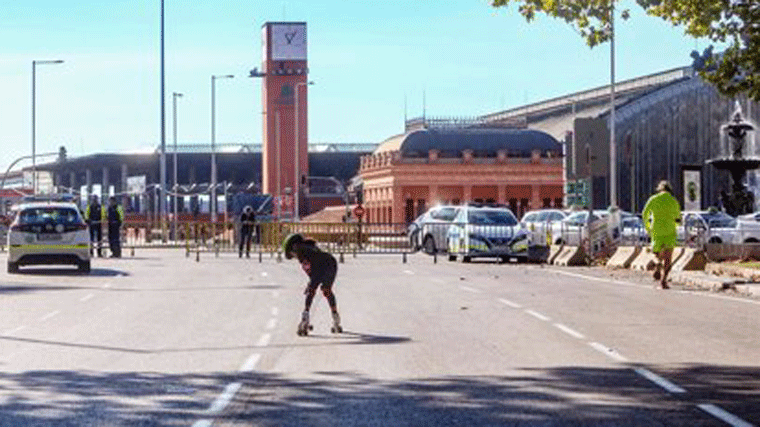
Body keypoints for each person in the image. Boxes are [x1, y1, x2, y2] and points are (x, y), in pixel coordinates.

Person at [282, 233, 342, 335]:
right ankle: (335, 316)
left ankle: (305, 317)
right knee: (326, 290)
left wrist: (311, 286)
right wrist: (311, 284)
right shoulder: (309, 247)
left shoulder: (302, 253)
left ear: (294, 247)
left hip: (323, 266)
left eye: (292, 254)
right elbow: (313, 271)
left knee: (312, 291)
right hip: (331, 264)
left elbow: (313, 271)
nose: (294, 257)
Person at [642, 180, 682, 289]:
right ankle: (664, 281)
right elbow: (678, 217)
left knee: (655, 253)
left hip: (656, 229)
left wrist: (648, 227)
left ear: (659, 189)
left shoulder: (653, 199)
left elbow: (645, 213)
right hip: (670, 230)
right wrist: (675, 225)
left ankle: (658, 262)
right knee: (668, 257)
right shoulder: (673, 201)